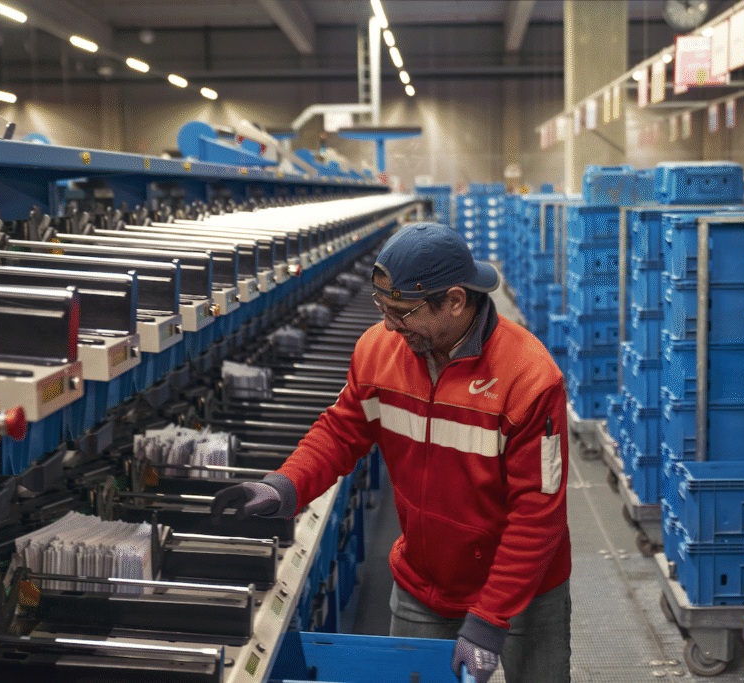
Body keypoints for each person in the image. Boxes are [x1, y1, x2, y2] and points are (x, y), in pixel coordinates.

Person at [212, 222, 571, 683]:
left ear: (455, 301)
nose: (387, 323)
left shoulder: (530, 379)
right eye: (382, 306)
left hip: (525, 594)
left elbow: (537, 516)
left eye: (401, 311)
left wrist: (489, 619)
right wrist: (284, 486)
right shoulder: (379, 352)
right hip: (424, 585)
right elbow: (341, 432)